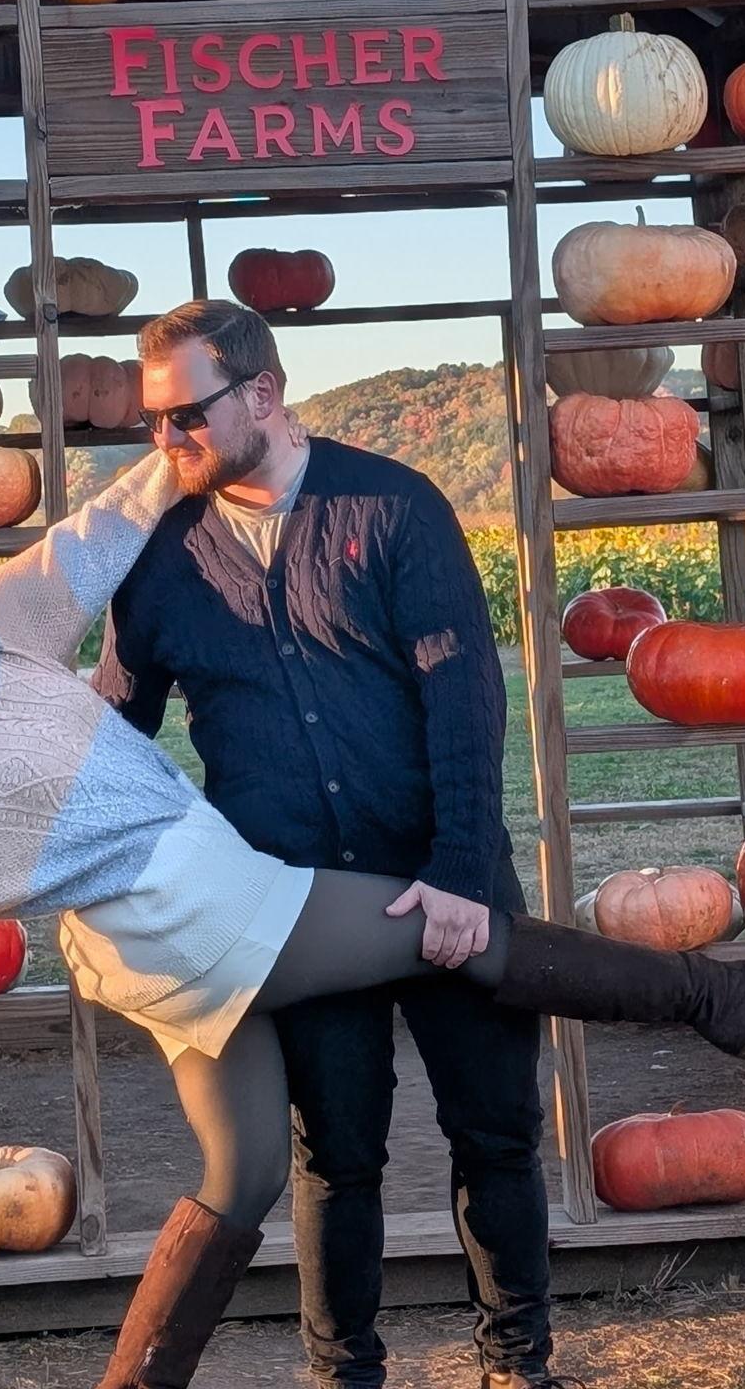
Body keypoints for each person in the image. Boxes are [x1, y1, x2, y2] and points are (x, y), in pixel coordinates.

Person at [0, 452, 745, 1389]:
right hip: (210, 913)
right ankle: (715, 995)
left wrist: (168, 466)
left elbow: (83, 546)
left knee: (240, 1174)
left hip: (158, 941)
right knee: (459, 928)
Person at [93, 300, 557, 1389]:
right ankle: (342, 1373)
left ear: (262, 393)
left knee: (494, 1131)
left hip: (442, 871)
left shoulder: (392, 506)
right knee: (336, 1154)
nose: (164, 441)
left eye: (185, 416)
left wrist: (458, 870)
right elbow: (116, 729)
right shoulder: (159, 553)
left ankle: (518, 1365)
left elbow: (463, 694)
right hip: (291, 908)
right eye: (151, 421)